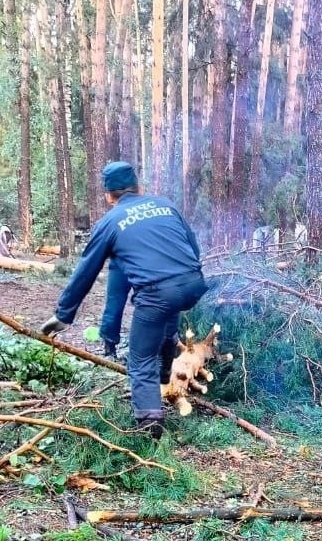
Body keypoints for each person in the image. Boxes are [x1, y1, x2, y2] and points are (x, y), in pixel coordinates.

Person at [41, 162, 207, 436]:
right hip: (193, 283)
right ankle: (166, 375)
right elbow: (193, 245)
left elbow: (86, 271)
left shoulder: (109, 221)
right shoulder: (166, 205)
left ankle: (149, 423)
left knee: (140, 358)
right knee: (166, 321)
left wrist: (63, 315)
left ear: (108, 195)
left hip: (158, 294)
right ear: (138, 187)